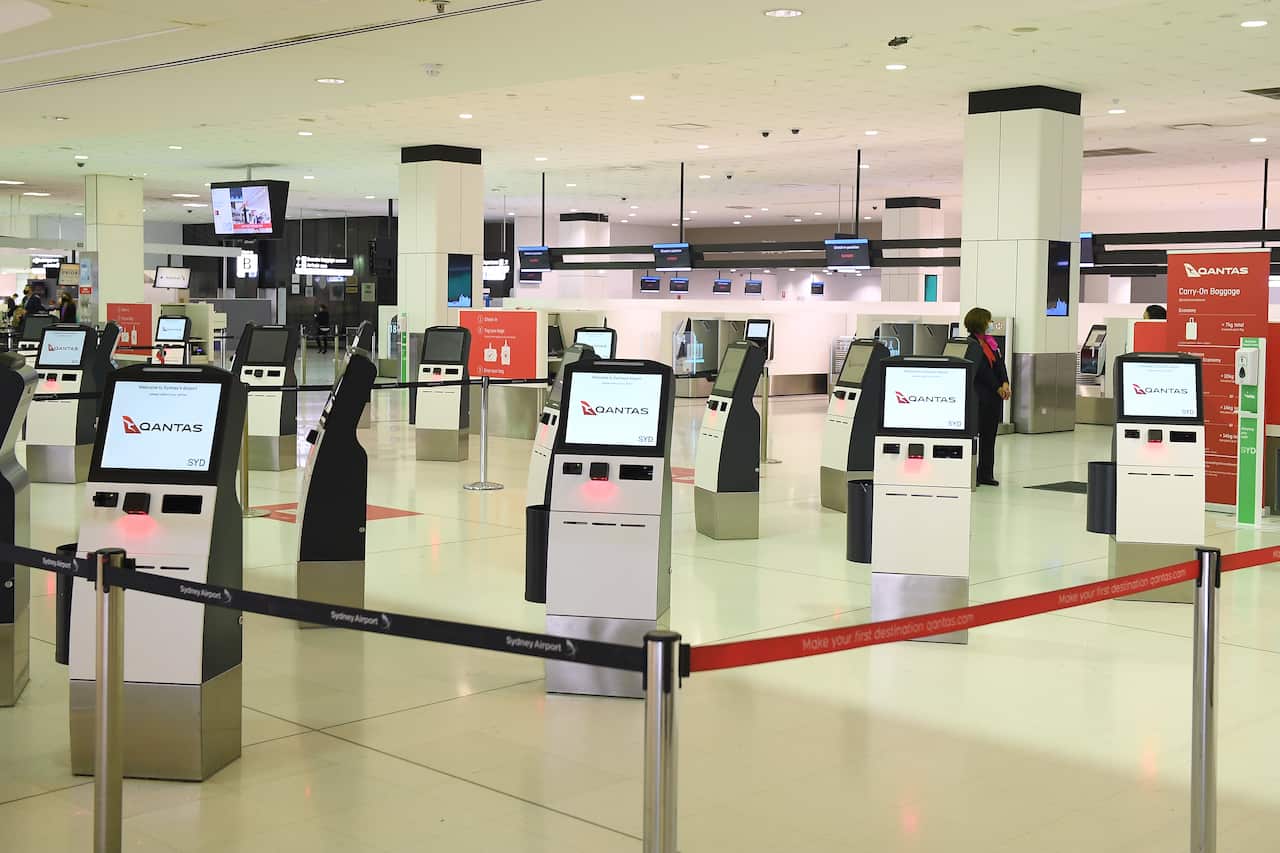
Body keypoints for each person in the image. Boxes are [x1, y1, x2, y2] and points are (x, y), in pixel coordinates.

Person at [963, 307, 1011, 487]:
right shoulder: (972, 344)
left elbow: (1000, 365)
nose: (991, 324)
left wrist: (1005, 382)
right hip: (980, 396)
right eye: (988, 321)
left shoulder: (991, 343)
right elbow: (982, 371)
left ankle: (985, 472)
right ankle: (971, 472)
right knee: (977, 435)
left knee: (989, 436)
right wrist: (997, 387)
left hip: (993, 398)